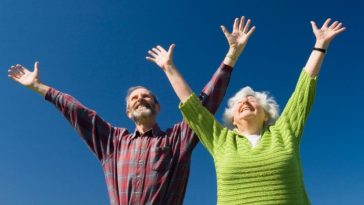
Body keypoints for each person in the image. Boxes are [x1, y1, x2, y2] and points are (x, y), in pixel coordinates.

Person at [8, 17, 255, 205]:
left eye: (147, 96)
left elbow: (203, 105)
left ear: (158, 107)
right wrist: (39, 87)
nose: (141, 99)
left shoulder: (177, 140)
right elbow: (78, 112)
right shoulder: (113, 142)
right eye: (135, 98)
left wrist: (230, 57)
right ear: (128, 111)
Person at [149, 18, 345, 204]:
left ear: (266, 113)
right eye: (238, 102)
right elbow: (193, 108)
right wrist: (168, 67)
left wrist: (320, 45)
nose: (245, 102)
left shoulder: (284, 132)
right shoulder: (221, 140)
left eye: (252, 99)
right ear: (233, 119)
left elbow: (303, 91)